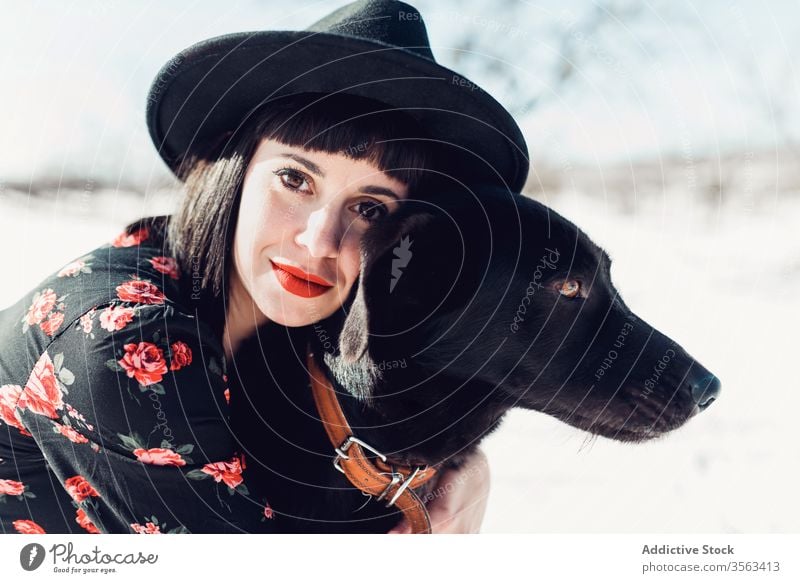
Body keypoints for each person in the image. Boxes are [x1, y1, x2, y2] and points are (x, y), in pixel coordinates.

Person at [0, 0, 528, 534]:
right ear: (236, 168)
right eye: (296, 180)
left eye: (369, 209)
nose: (320, 240)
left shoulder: (306, 335)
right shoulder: (126, 338)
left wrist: (457, 468)